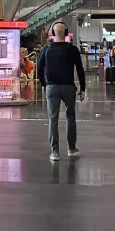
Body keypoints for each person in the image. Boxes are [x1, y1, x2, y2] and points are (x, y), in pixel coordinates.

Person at [37, 22, 86, 161]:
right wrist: (82, 88)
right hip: (68, 87)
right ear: (66, 33)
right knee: (71, 117)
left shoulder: (46, 49)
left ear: (52, 33)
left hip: (51, 87)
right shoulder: (73, 49)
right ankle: (71, 148)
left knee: (53, 119)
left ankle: (55, 152)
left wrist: (43, 84)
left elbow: (40, 68)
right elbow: (80, 70)